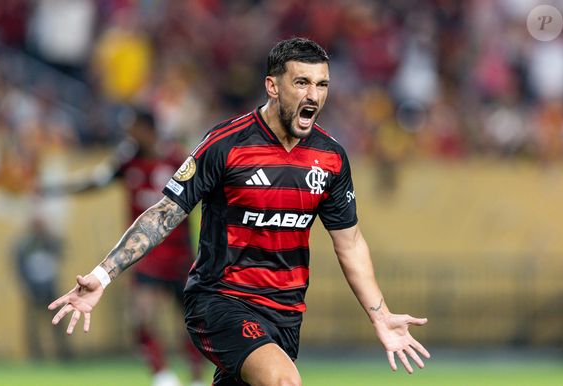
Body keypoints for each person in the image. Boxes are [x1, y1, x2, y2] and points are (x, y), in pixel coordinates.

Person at [49, 37, 430, 386]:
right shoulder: (225, 145)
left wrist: (380, 315)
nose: (313, 94)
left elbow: (350, 243)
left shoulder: (330, 157)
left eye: (322, 84)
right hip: (220, 301)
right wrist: (103, 274)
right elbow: (164, 213)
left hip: (285, 313)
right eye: (302, 83)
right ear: (273, 86)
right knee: (284, 382)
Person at [43, 109, 205, 386]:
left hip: (180, 256)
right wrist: (59, 189)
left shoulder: (178, 158)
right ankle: (162, 375)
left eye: (132, 128)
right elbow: (97, 181)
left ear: (146, 128)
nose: (127, 134)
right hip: (143, 255)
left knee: (192, 321)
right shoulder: (126, 160)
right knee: (140, 315)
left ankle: (196, 378)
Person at [14, 211, 71, 361]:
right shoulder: (25, 244)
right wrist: (25, 286)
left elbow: (61, 251)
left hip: (50, 288)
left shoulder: (49, 241)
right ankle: (36, 355)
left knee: (58, 320)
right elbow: (19, 266)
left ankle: (64, 354)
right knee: (33, 325)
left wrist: (48, 236)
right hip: (33, 288)